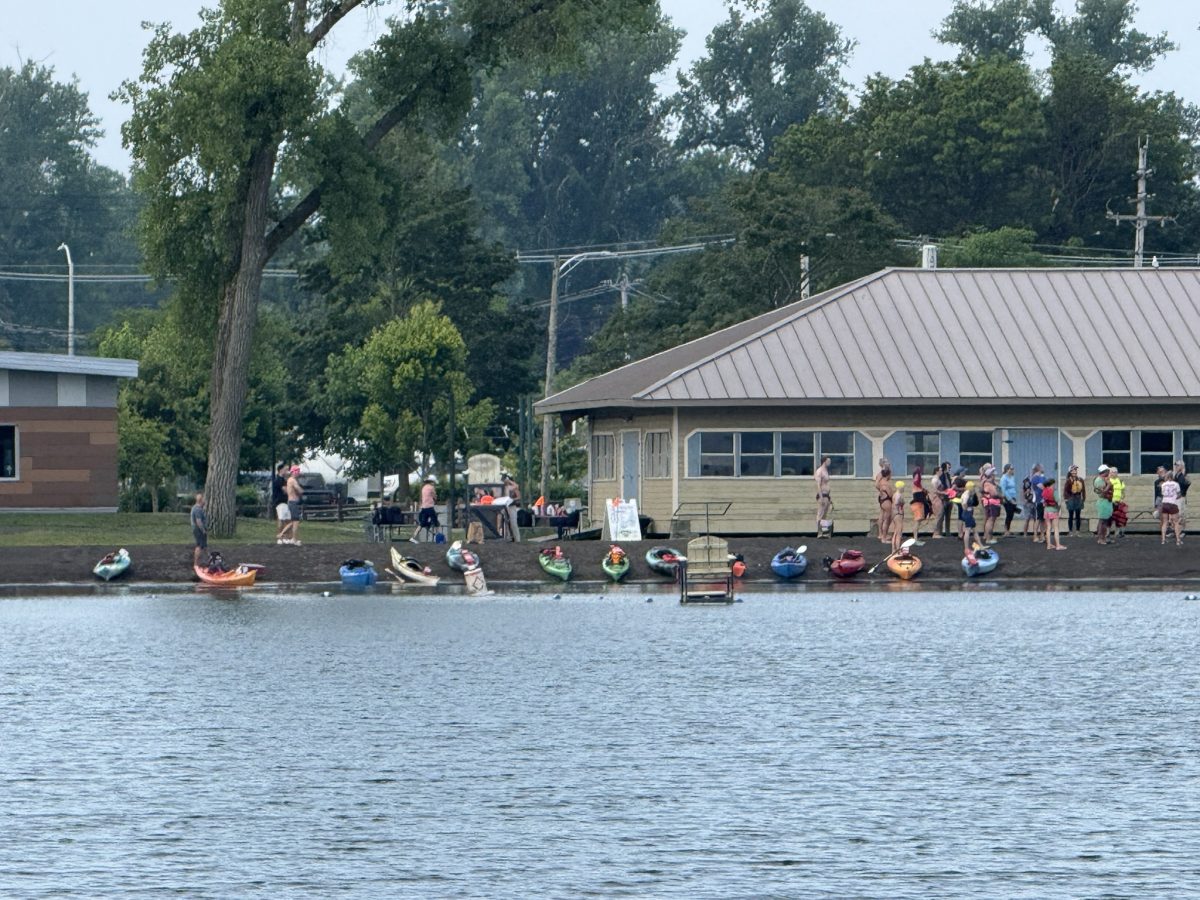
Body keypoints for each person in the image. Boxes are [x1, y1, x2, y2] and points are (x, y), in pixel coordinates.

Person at [979, 464, 1002, 544]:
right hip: (992, 503)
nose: (994, 475)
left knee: (989, 519)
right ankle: (988, 538)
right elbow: (994, 494)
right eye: (993, 473)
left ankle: (988, 537)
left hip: (989, 503)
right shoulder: (988, 484)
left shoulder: (986, 482)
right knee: (990, 520)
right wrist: (1001, 496)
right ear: (991, 475)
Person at [1160, 472, 1183, 546]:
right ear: (1172, 476)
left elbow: (1163, 494)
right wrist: (1176, 497)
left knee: (1165, 522)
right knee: (1176, 522)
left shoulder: (1163, 484)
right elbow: (1179, 494)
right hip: (1173, 504)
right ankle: (1178, 540)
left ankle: (1163, 540)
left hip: (1165, 503)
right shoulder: (1176, 484)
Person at [1062, 465, 1086, 534]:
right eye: (1073, 470)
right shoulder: (1068, 480)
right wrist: (1066, 499)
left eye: (1075, 470)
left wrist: (1083, 498)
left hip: (1078, 498)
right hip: (1071, 498)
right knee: (1071, 515)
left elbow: (1083, 490)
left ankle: (1078, 531)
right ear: (1070, 471)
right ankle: (1070, 531)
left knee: (1078, 515)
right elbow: (1065, 491)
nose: (1075, 471)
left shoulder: (1080, 479)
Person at [1093, 464, 1114, 545]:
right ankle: (1101, 539)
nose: (1109, 472)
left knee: (1104, 521)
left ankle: (1103, 538)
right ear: (1104, 472)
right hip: (1103, 502)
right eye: (1108, 471)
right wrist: (1109, 485)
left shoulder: (1103, 479)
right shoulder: (1099, 481)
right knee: (1103, 522)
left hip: (1106, 502)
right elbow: (1103, 492)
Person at [909, 465, 930, 545]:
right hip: (917, 504)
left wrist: (924, 490)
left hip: (919, 504)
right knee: (917, 522)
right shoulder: (916, 485)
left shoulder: (918, 486)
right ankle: (915, 539)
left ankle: (915, 537)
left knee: (918, 521)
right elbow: (916, 482)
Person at [1042, 477, 1065, 550]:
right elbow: (1058, 502)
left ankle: (1048, 545)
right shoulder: (1054, 491)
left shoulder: (1044, 491)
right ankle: (1058, 545)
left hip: (1046, 511)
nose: (1055, 485)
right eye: (1054, 484)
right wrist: (1060, 509)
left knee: (1048, 528)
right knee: (1056, 528)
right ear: (1052, 484)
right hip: (1054, 511)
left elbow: (1044, 503)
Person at [283, 465, 304, 545]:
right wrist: (301, 491)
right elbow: (298, 489)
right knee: (296, 521)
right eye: (297, 472)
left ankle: (282, 534)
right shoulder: (292, 480)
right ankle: (294, 539)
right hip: (293, 502)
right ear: (294, 472)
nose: (298, 474)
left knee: (294, 521)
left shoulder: (289, 480)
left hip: (292, 502)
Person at [875, 458, 893, 544]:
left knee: (882, 515)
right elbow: (876, 484)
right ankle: (882, 535)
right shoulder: (881, 474)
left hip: (883, 497)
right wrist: (882, 491)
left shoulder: (884, 477)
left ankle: (882, 534)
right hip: (884, 497)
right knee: (886, 518)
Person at [272, 462, 291, 543]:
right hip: (280, 502)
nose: (286, 471)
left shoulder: (283, 480)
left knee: (288, 520)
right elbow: (285, 490)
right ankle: (280, 538)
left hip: (284, 502)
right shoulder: (279, 480)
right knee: (281, 519)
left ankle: (285, 537)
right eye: (285, 470)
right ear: (280, 470)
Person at [933, 461, 953, 538]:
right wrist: (944, 493)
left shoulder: (948, 475)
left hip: (949, 497)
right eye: (948, 467)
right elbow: (939, 488)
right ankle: (938, 532)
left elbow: (949, 485)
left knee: (948, 516)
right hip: (943, 498)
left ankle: (948, 532)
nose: (949, 469)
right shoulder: (940, 476)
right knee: (940, 516)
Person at [416, 477, 439, 542]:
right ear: (431, 482)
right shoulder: (431, 487)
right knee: (435, 521)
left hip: (424, 507)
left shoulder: (423, 488)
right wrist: (435, 498)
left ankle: (414, 536)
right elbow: (435, 496)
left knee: (422, 523)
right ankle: (437, 536)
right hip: (430, 507)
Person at [999, 463, 1019, 536]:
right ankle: (1006, 531)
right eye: (1011, 469)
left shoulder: (1012, 477)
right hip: (1007, 499)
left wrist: (1014, 499)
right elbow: (1004, 490)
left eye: (1013, 468)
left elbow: (1012, 488)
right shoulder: (1003, 478)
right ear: (1007, 470)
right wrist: (1010, 500)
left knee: (1011, 515)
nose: (1013, 470)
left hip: (1013, 497)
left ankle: (1008, 530)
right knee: (1009, 514)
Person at [814, 456, 832, 535]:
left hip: (827, 495)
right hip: (822, 495)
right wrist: (821, 497)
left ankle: (823, 532)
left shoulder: (826, 471)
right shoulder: (819, 471)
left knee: (825, 514)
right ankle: (819, 531)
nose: (829, 463)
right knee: (820, 513)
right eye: (828, 461)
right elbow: (818, 485)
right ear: (824, 461)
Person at [1028, 464, 1046, 542]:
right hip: (1037, 501)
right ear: (1038, 468)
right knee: (1038, 519)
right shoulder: (1035, 478)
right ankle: (1035, 536)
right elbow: (1042, 486)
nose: (1043, 468)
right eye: (1041, 467)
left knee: (1043, 519)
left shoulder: (1043, 477)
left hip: (1044, 501)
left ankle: (1042, 535)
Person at [502, 473, 522, 542]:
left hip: (511, 505)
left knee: (513, 522)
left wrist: (512, 500)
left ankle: (517, 539)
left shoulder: (512, 487)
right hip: (503, 506)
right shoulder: (502, 487)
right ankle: (507, 538)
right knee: (504, 523)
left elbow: (518, 495)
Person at [190, 492, 208, 567]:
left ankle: (209, 560)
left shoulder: (198, 508)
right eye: (204, 499)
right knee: (199, 546)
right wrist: (203, 530)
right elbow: (198, 521)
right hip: (198, 530)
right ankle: (196, 564)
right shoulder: (197, 509)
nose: (205, 501)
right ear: (201, 500)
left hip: (199, 529)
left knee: (204, 545)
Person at [1174, 459, 1190, 533]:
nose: (1176, 466)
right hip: (1175, 497)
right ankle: (1176, 530)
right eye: (1175, 465)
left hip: (1181, 496)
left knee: (1181, 513)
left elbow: (1186, 484)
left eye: (1177, 465)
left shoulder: (1183, 475)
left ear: (1181, 466)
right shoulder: (1177, 474)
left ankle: (1181, 531)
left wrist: (1181, 493)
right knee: (1176, 514)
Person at [890, 480, 905, 552]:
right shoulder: (898, 495)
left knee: (895, 532)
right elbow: (896, 503)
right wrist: (901, 502)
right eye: (903, 487)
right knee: (899, 534)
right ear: (900, 487)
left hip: (895, 514)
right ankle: (898, 550)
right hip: (898, 514)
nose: (904, 489)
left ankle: (893, 549)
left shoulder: (894, 494)